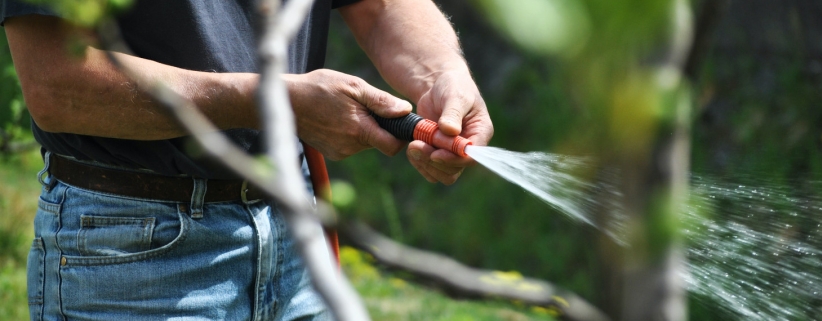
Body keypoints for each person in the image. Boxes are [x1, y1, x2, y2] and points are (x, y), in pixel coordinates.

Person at [1, 0, 493, 320]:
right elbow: (56, 83)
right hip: (135, 253)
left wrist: (441, 74)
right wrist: (272, 101)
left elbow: (380, 6)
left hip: (295, 229)